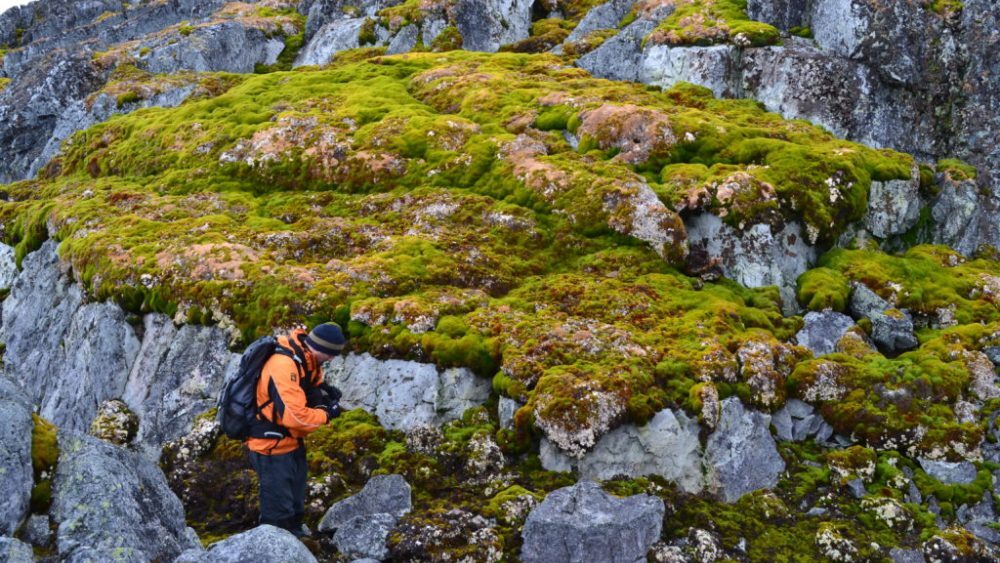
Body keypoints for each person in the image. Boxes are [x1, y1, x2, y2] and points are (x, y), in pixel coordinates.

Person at [246, 322, 346, 537]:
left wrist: (323, 394)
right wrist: (326, 414)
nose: (332, 359)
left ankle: (296, 540)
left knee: (295, 505)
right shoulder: (283, 365)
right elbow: (295, 417)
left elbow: (311, 386)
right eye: (331, 354)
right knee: (278, 513)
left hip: (291, 442)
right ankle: (271, 549)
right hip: (270, 446)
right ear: (322, 349)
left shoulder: (306, 359)